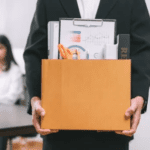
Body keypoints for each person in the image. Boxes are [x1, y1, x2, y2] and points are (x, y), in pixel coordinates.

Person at [23, 0, 150, 149]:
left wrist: (139, 96)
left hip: (113, 129)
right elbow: (34, 52)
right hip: (59, 130)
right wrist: (35, 98)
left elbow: (143, 50)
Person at [0, 35, 23, 149]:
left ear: (7, 49)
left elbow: (11, 98)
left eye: (0, 48)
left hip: (9, 114)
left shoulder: (15, 70)